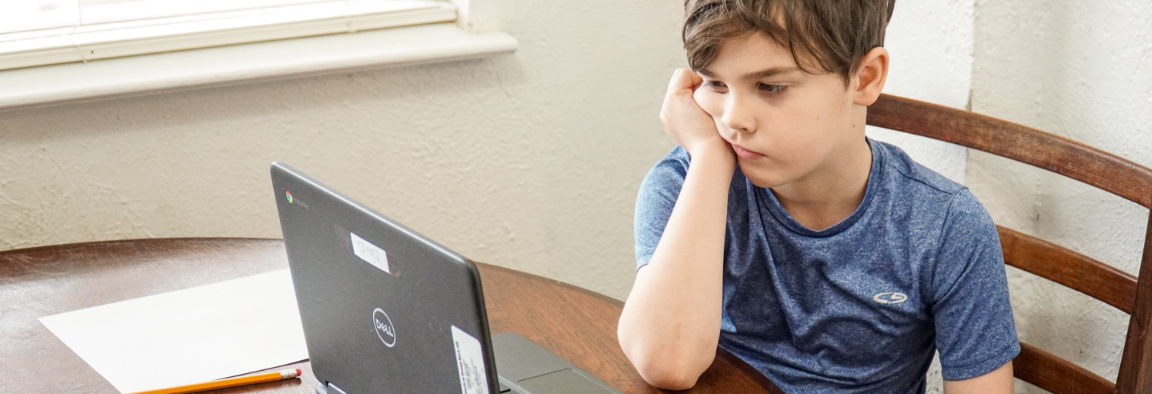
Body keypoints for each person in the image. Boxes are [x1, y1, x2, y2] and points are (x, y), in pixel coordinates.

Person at [616, 1, 1020, 393]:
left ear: (864, 78)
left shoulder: (946, 227)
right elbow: (667, 363)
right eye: (714, 83)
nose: (733, 119)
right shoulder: (685, 184)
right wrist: (708, 159)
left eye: (770, 86)